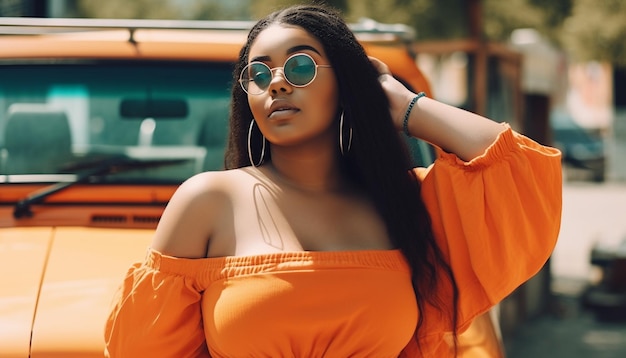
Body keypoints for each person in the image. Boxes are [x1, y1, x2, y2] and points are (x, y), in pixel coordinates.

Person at [104, 4, 562, 357]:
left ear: (345, 83)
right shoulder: (208, 201)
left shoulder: (405, 203)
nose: (277, 84)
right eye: (258, 74)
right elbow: (142, 348)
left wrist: (401, 104)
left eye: (300, 67)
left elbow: (516, 167)